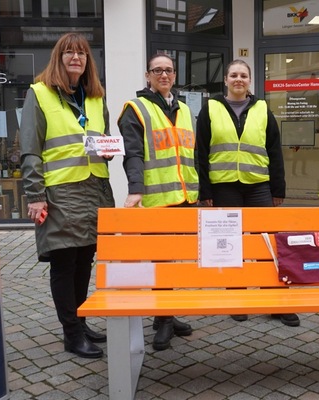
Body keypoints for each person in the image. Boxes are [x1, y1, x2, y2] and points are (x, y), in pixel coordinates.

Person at [20, 32, 115, 359]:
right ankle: (71, 334)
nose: (76, 58)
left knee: (85, 261)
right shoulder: (39, 93)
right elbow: (30, 150)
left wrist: (108, 149)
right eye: (69, 53)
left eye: (82, 54)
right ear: (58, 57)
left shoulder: (95, 96)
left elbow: (100, 139)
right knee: (65, 262)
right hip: (59, 192)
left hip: (95, 189)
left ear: (88, 61)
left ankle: (81, 321)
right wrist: (36, 195)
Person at [195, 59, 297, 327]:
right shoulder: (211, 109)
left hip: (258, 186)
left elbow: (275, 151)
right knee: (230, 246)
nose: (238, 79)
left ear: (249, 81)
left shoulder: (263, 108)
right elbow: (201, 152)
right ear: (225, 80)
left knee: (268, 244)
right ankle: (237, 298)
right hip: (223, 186)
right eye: (233, 75)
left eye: (243, 75)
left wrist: (278, 188)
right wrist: (204, 190)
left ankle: (276, 301)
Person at [118, 53, 197, 351]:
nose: (164, 75)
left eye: (169, 70)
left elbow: (193, 154)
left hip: (185, 196)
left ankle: (167, 312)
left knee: (174, 259)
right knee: (161, 261)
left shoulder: (186, 110)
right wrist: (135, 189)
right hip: (156, 198)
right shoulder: (135, 109)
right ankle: (163, 319)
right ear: (148, 75)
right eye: (157, 70)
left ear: (175, 75)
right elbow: (133, 153)